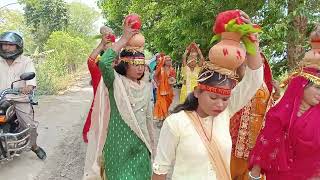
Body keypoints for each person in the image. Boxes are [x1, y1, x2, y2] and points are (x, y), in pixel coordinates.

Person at [152, 11, 263, 180]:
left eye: (225, 99)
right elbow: (160, 171)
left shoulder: (225, 113)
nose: (220, 104)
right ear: (197, 91)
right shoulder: (176, 123)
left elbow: (254, 80)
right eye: (213, 98)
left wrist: (251, 42)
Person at [83, 17, 154, 180]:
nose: (139, 68)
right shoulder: (115, 82)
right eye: (135, 64)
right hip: (118, 146)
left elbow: (148, 119)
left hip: (140, 145)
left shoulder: (145, 85)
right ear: (125, 64)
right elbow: (104, 63)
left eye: (142, 64)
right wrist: (124, 38)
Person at [248, 26, 320, 180]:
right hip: (279, 175)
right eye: (317, 88)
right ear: (301, 85)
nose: (319, 94)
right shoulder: (280, 114)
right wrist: (254, 174)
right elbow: (266, 143)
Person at [229, 53, 280, 180]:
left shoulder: (265, 84)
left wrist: (277, 92)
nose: (259, 65)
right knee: (234, 167)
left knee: (252, 165)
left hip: (258, 132)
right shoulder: (239, 82)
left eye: (262, 63)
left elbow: (269, 105)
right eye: (247, 64)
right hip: (239, 131)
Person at [0, 31, 46, 159]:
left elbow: (30, 80)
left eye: (10, 45)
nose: (6, 47)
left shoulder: (26, 61)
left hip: (19, 98)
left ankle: (34, 146)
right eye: (3, 44)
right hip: (1, 98)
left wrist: (28, 87)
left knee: (29, 125)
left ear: (18, 46)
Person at [82, 26, 115, 143]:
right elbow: (90, 60)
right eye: (107, 48)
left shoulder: (120, 68)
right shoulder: (97, 69)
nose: (110, 50)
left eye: (113, 48)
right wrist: (101, 43)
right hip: (99, 107)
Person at [153, 55, 176, 126]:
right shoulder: (160, 68)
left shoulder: (172, 70)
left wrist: (172, 81)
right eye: (167, 60)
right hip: (161, 90)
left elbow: (173, 79)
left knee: (167, 104)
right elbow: (155, 76)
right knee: (161, 104)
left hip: (169, 90)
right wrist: (157, 83)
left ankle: (163, 118)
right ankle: (162, 119)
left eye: (170, 60)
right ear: (164, 61)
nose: (169, 61)